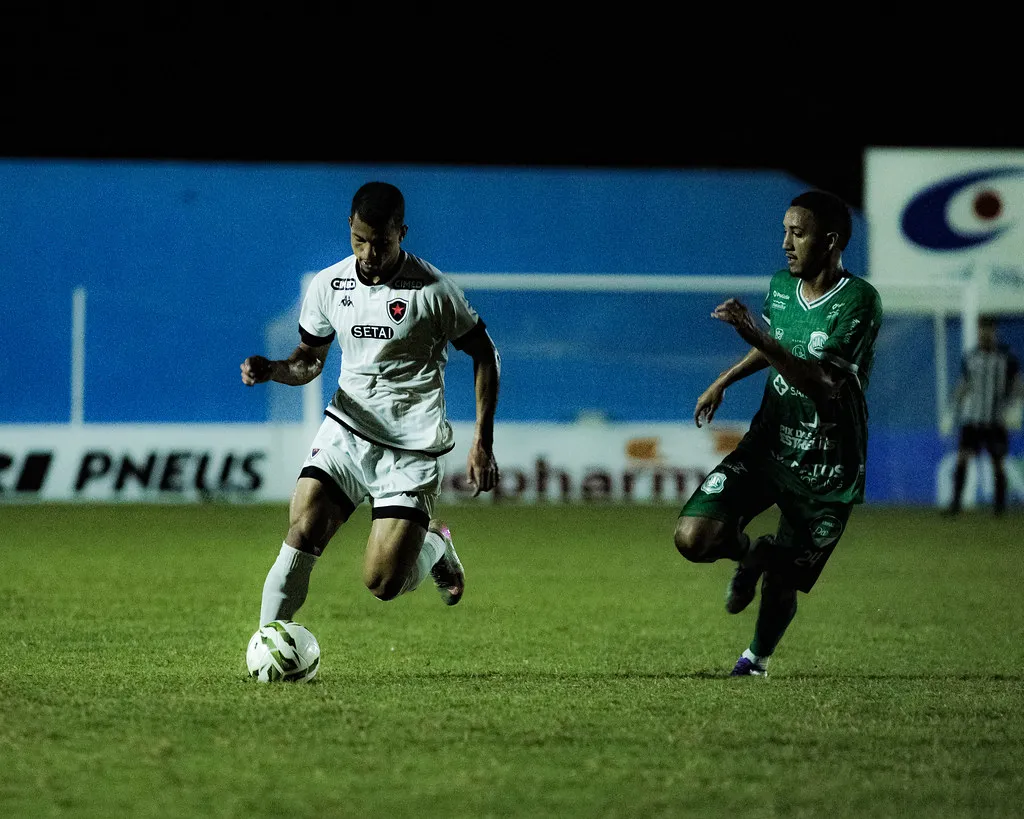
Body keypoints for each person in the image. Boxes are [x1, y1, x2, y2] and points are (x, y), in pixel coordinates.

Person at [241, 181, 500, 631]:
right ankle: (265, 643)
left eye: (381, 243)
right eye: (359, 240)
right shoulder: (329, 285)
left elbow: (485, 354)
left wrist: (482, 441)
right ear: (350, 227)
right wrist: (275, 369)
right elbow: (308, 363)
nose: (369, 253)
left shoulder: (434, 291)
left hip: (412, 450)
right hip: (347, 430)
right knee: (302, 529)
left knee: (382, 583)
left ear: (402, 232)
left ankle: (436, 543)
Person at [673, 190, 883, 677]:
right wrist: (724, 379)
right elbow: (776, 347)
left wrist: (758, 336)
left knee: (785, 579)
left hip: (827, 464)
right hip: (770, 444)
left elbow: (826, 385)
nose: (786, 243)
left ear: (830, 241)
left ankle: (755, 661)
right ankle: (753, 553)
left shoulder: (859, 302)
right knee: (693, 538)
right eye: (785, 231)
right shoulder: (781, 288)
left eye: (798, 233)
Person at [945, 316, 1020, 516]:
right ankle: (955, 504)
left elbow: (1017, 384)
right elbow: (964, 384)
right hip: (973, 419)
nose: (985, 334)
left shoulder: (1005, 357)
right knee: (962, 459)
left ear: (994, 331)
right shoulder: (971, 357)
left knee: (998, 463)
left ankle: (999, 507)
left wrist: (1015, 409)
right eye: (982, 330)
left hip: (996, 420)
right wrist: (952, 409)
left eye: (988, 329)